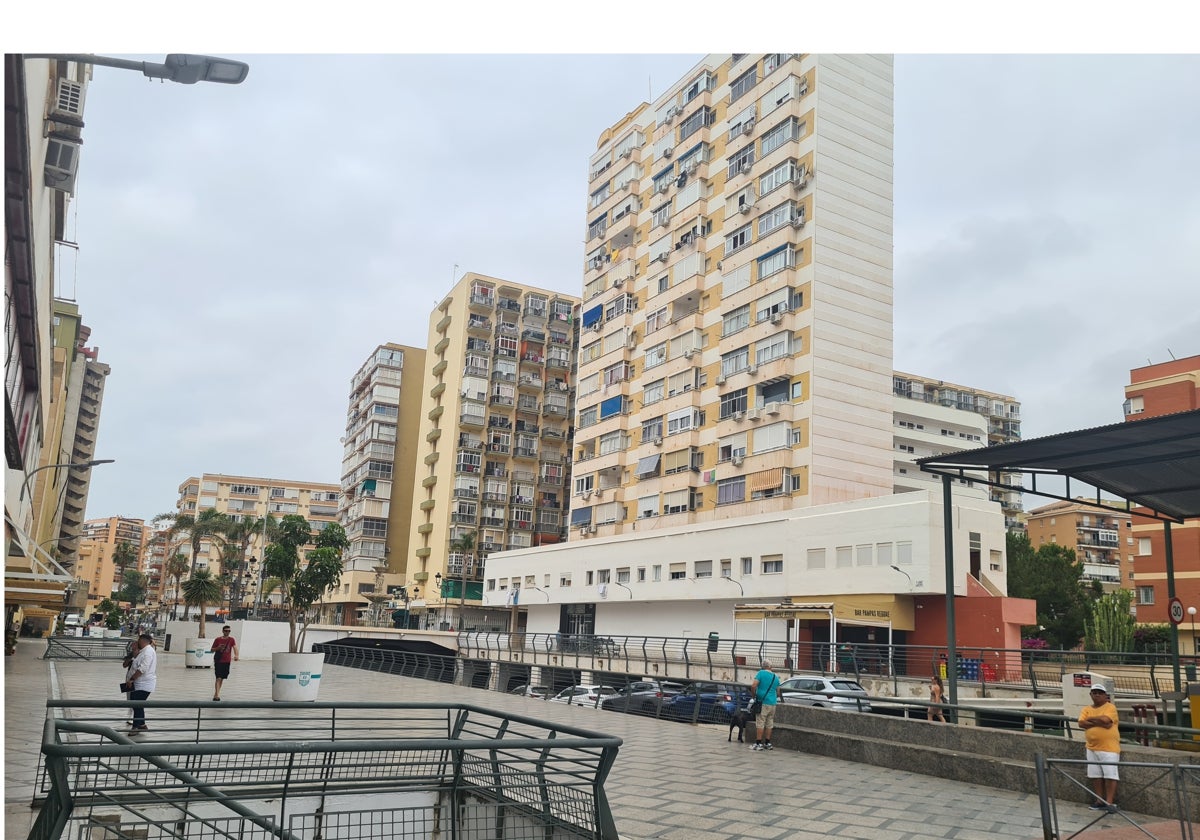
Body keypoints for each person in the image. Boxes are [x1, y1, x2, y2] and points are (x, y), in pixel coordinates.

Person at [1078, 682, 1120, 811]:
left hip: (1109, 748)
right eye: (1094, 693)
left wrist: (1090, 719)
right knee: (1095, 775)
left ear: (1105, 696)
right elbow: (1081, 723)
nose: (1096, 695)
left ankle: (1109, 802)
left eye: (1100, 693)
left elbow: (1106, 721)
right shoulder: (1086, 709)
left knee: (1110, 775)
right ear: (1090, 694)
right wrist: (1099, 721)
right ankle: (1099, 800)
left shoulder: (1110, 707)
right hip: (1091, 747)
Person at [126, 633, 157, 734]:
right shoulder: (143, 651)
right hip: (139, 683)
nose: (137, 642)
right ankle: (142, 724)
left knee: (136, 704)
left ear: (142, 641)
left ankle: (136, 727)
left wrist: (132, 679)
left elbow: (143, 668)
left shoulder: (148, 652)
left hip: (143, 684)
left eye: (138, 640)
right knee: (138, 705)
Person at [749, 659, 780, 751]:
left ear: (763, 666)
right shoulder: (776, 676)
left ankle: (758, 743)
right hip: (773, 703)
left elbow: (754, 686)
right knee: (769, 722)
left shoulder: (761, 673)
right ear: (771, 667)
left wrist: (754, 696)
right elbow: (778, 692)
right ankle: (767, 743)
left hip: (763, 702)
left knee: (760, 722)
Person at [210, 625, 239, 700]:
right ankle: (216, 695)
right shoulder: (217, 639)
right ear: (223, 631)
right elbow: (212, 650)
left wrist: (236, 655)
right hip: (218, 661)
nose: (227, 632)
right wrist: (218, 648)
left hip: (226, 661)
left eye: (229, 631)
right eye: (226, 631)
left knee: (222, 678)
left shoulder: (231, 639)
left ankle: (216, 693)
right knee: (218, 678)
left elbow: (235, 647)